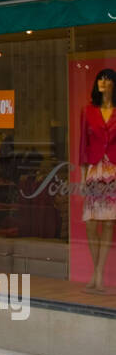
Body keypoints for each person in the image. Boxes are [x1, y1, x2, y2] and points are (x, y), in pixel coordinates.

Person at [79, 67, 116, 292]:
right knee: (91, 224)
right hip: (94, 171)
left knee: (109, 223)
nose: (103, 82)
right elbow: (83, 145)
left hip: (113, 170)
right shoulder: (88, 111)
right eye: (100, 78)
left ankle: (99, 274)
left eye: (108, 79)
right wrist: (83, 177)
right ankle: (96, 271)